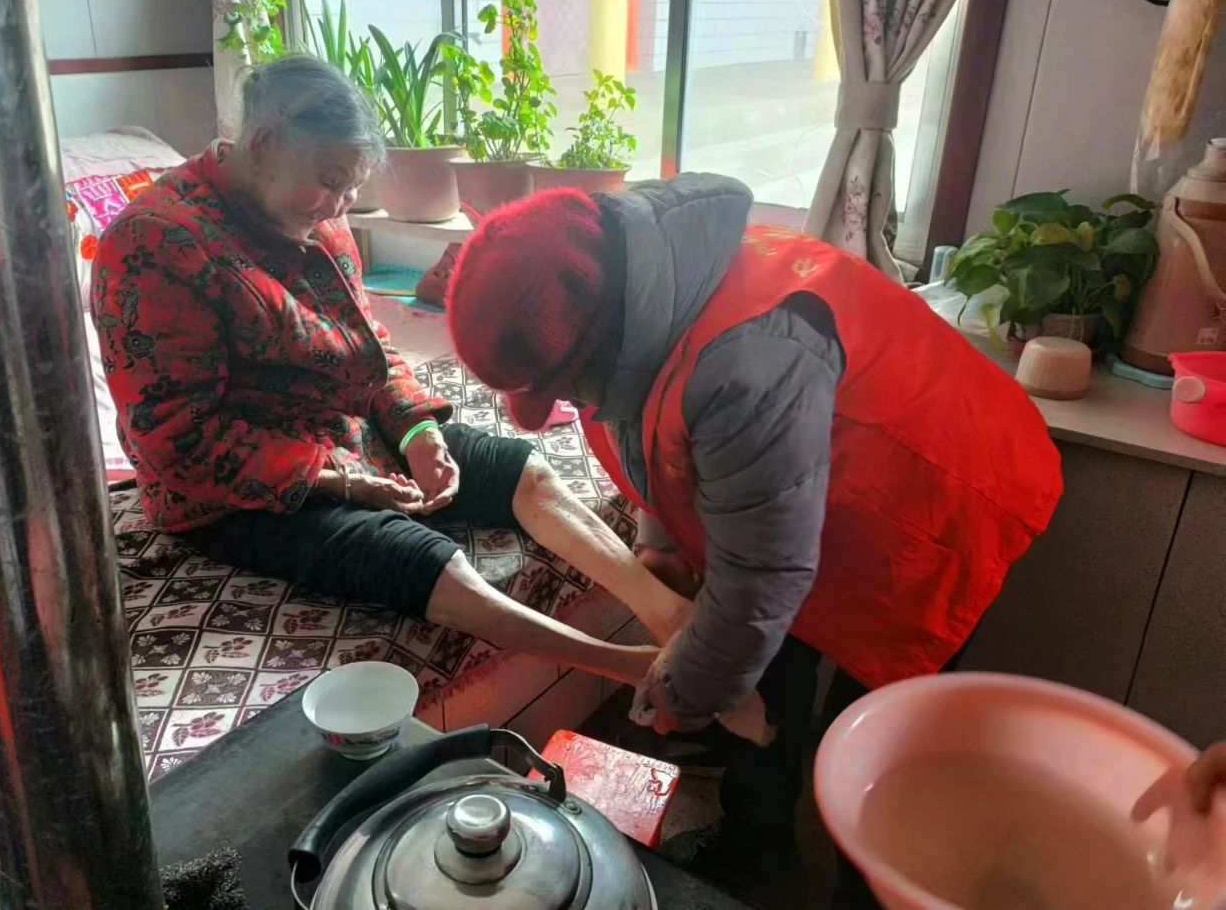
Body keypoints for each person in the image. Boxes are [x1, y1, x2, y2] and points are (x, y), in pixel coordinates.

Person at [446, 177, 1064, 889]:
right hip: (803, 497)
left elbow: (760, 584)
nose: (566, 403)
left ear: (597, 341)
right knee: (767, 671)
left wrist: (684, 693)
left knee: (878, 747)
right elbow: (643, 417)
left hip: (934, 497)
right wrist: (660, 542)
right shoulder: (637, 284)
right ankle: (757, 851)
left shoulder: (744, 361)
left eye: (563, 387)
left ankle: (868, 892)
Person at [91, 56, 695, 692]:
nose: (340, 204)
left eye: (352, 188)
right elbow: (175, 441)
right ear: (263, 145)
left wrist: (416, 431)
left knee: (525, 473)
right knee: (427, 563)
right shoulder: (155, 244)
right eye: (331, 182)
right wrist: (344, 480)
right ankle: (634, 669)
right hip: (238, 490)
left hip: (349, 432)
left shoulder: (320, 214)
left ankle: (669, 615)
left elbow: (369, 347)